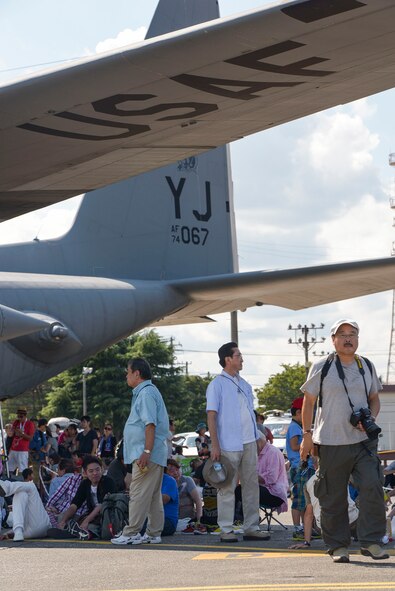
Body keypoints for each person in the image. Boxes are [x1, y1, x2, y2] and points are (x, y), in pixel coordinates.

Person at [300, 318, 388, 562]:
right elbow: (308, 402)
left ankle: (371, 542)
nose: (348, 338)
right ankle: (338, 546)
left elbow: (374, 398)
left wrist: (370, 416)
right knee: (333, 495)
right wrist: (307, 435)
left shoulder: (366, 365)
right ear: (333, 340)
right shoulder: (322, 366)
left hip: (362, 441)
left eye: (353, 334)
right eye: (343, 334)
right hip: (330, 441)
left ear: (357, 339)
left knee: (372, 486)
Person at [206, 341, 270, 543]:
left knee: (251, 485)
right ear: (228, 359)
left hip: (249, 441)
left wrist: (258, 436)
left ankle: (251, 527)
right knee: (226, 485)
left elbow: (250, 414)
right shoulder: (217, 384)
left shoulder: (245, 384)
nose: (242, 359)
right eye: (238, 355)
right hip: (227, 443)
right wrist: (214, 444)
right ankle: (226, 529)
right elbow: (211, 416)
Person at [111, 357, 169, 546]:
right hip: (154, 452)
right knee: (152, 495)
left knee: (137, 492)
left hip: (146, 453)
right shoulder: (147, 392)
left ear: (137, 374)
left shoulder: (145, 393)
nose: (126, 376)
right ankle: (153, 533)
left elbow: (149, 424)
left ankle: (131, 532)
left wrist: (146, 450)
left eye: (128, 372)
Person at [58, 455, 116, 539]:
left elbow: (102, 505)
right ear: (85, 473)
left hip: (107, 515)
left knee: (92, 526)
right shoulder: (85, 484)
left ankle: (83, 533)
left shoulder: (108, 481)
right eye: (91, 471)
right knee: (62, 517)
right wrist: (63, 521)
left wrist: (86, 521)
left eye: (97, 469)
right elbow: (75, 504)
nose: (95, 473)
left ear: (102, 469)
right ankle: (70, 529)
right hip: (91, 515)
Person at [286, 397, 314, 538]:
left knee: (305, 498)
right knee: (298, 498)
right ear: (299, 412)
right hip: (299, 466)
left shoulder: (298, 427)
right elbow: (294, 446)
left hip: (304, 466)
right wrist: (309, 444)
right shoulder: (294, 428)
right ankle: (297, 528)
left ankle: (305, 527)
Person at [166, 458, 206, 534]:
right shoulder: (163, 483)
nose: (176, 473)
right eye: (171, 471)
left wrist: (199, 520)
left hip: (188, 520)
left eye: (177, 469)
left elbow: (198, 501)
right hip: (171, 520)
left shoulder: (187, 480)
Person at [9, 408, 35, 474]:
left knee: (22, 470)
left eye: (21, 417)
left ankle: (23, 483)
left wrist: (22, 434)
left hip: (22, 450)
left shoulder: (30, 424)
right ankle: (9, 481)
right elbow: (11, 434)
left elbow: (30, 438)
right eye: (18, 416)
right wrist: (13, 431)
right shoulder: (16, 422)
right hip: (13, 449)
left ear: (25, 416)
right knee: (9, 468)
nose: (19, 418)